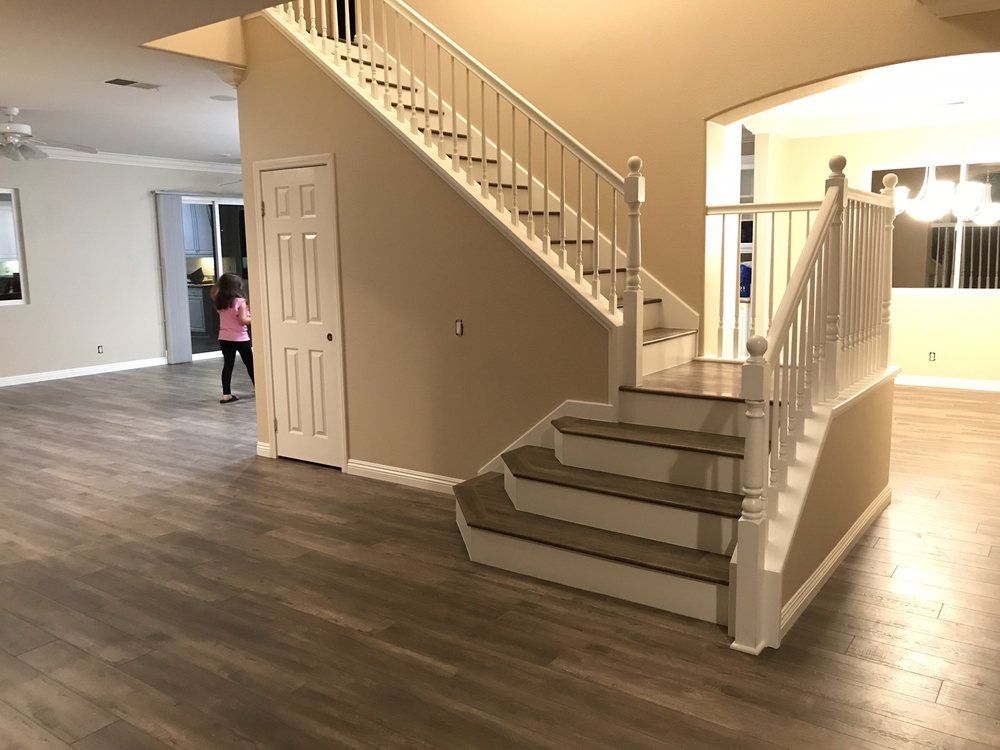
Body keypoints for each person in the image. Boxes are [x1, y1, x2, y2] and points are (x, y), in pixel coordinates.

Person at [212, 273, 254, 404]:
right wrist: (255, 317)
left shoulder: (219, 301)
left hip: (224, 338)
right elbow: (242, 321)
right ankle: (257, 387)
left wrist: (220, 283)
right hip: (240, 338)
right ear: (236, 287)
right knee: (250, 363)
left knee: (228, 365)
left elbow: (213, 291)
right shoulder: (240, 301)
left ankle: (226, 395)